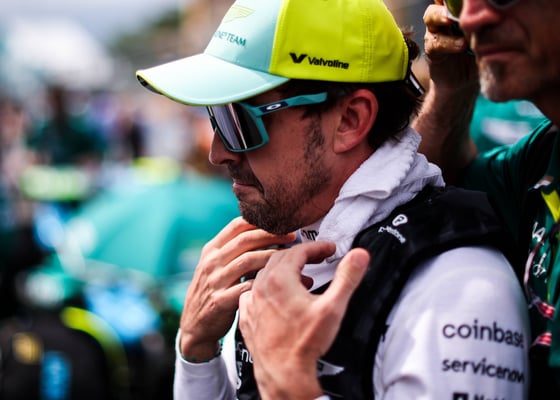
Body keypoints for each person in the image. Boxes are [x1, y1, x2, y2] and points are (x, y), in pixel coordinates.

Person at [136, 0, 529, 398]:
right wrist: (197, 353)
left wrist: (290, 383)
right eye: (215, 116)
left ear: (350, 120)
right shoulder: (283, 241)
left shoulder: (458, 286)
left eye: (238, 122)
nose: (218, 153)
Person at [411, 0, 560, 397]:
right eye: (459, 0)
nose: (472, 18)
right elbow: (425, 189)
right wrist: (452, 91)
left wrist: (293, 382)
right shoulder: (545, 154)